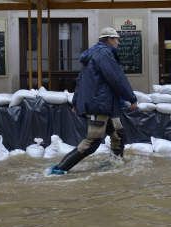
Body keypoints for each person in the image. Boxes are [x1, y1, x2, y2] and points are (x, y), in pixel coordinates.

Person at [49, 27, 138, 175]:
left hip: (106, 105)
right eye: (116, 39)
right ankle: (60, 168)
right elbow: (116, 78)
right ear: (109, 39)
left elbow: (81, 80)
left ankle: (115, 163)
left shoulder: (94, 55)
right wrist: (131, 98)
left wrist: (77, 101)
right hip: (100, 105)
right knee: (92, 142)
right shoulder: (104, 54)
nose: (118, 42)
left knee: (118, 134)